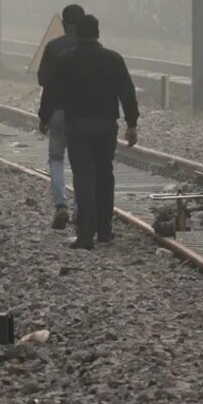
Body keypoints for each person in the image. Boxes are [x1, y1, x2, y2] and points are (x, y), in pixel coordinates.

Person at [38, 15, 139, 250]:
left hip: (78, 125)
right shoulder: (113, 59)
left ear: (77, 33)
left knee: (83, 178)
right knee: (105, 175)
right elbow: (127, 91)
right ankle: (105, 231)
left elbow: (50, 91)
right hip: (106, 126)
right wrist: (132, 124)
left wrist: (44, 118)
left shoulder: (66, 60)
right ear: (98, 33)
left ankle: (85, 236)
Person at [36, 4, 85, 230]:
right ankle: (81, 209)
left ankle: (60, 206)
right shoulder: (91, 49)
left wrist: (43, 117)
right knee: (81, 162)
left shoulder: (54, 48)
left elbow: (44, 81)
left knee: (56, 159)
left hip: (57, 111)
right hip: (84, 113)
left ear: (64, 24)